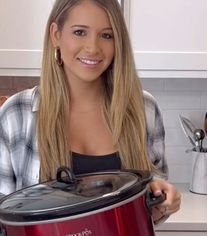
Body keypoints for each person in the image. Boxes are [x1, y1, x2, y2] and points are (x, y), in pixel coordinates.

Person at [0, 0, 180, 223]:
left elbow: (150, 212)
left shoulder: (144, 109)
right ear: (56, 34)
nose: (92, 48)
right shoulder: (16, 115)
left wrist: (163, 203)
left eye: (106, 35)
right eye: (79, 32)